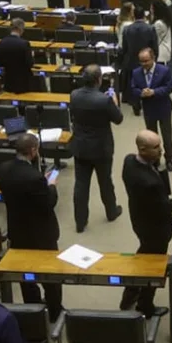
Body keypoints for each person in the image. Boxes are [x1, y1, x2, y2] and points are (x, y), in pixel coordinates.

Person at [0, 133, 63, 319]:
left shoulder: (4, 168)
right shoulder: (35, 178)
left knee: (26, 275)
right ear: (33, 151)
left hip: (17, 230)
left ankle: (33, 309)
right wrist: (51, 185)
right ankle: (55, 310)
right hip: (42, 234)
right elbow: (49, 202)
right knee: (51, 275)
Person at [120, 130, 172, 316]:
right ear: (142, 149)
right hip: (156, 229)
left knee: (142, 254)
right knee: (153, 265)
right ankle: (145, 304)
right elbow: (165, 206)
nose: (161, 150)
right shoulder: (149, 183)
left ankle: (130, 292)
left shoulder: (129, 161)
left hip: (139, 219)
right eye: (156, 147)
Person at [68, 64, 124, 232]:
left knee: (81, 184)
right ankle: (111, 212)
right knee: (105, 181)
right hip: (101, 148)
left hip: (81, 146)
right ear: (99, 79)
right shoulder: (104, 100)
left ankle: (80, 222)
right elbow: (118, 119)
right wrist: (114, 102)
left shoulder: (74, 95)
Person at [130, 48, 172, 171]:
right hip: (148, 109)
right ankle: (154, 159)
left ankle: (169, 159)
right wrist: (141, 92)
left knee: (167, 136)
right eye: (141, 61)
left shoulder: (164, 70)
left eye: (146, 61)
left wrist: (154, 92)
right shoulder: (136, 72)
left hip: (163, 107)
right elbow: (133, 88)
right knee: (151, 137)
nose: (144, 64)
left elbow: (169, 87)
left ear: (153, 58)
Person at [121, 8, 158, 115]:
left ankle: (136, 106)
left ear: (133, 15)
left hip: (131, 60)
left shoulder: (127, 29)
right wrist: (154, 58)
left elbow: (124, 47)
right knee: (148, 81)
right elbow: (154, 46)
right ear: (144, 15)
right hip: (147, 59)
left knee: (134, 83)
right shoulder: (150, 28)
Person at [0, 18, 34, 94]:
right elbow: (30, 64)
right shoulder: (24, 44)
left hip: (8, 82)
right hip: (24, 83)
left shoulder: (1, 43)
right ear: (21, 29)